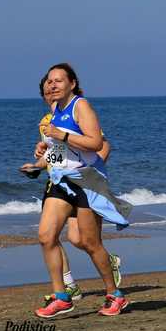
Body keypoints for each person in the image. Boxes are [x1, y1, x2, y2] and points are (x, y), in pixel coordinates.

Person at [33, 63, 131, 317]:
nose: (51, 85)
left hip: (86, 182)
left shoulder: (81, 106)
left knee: (89, 242)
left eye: (58, 81)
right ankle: (62, 296)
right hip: (61, 181)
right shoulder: (54, 109)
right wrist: (41, 155)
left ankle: (114, 294)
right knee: (46, 236)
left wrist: (61, 135)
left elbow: (96, 142)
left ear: (72, 83)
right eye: (49, 81)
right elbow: (59, 147)